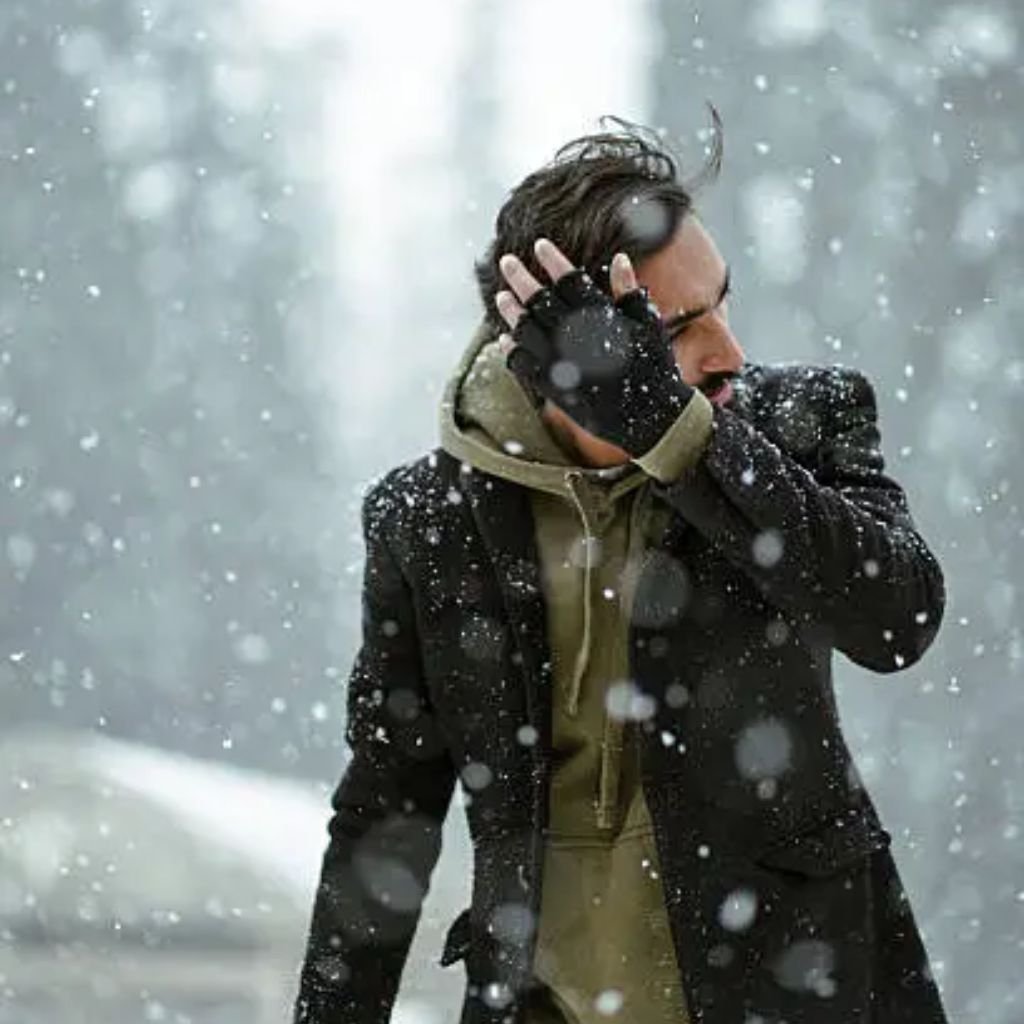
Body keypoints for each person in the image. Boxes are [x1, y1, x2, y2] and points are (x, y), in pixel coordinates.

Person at [292, 112, 950, 1024]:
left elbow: (898, 618)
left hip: (799, 995)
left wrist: (676, 433)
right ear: (557, 354)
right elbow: (385, 815)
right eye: (679, 328)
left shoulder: (801, 422)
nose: (729, 353)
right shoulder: (426, 521)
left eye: (724, 303)